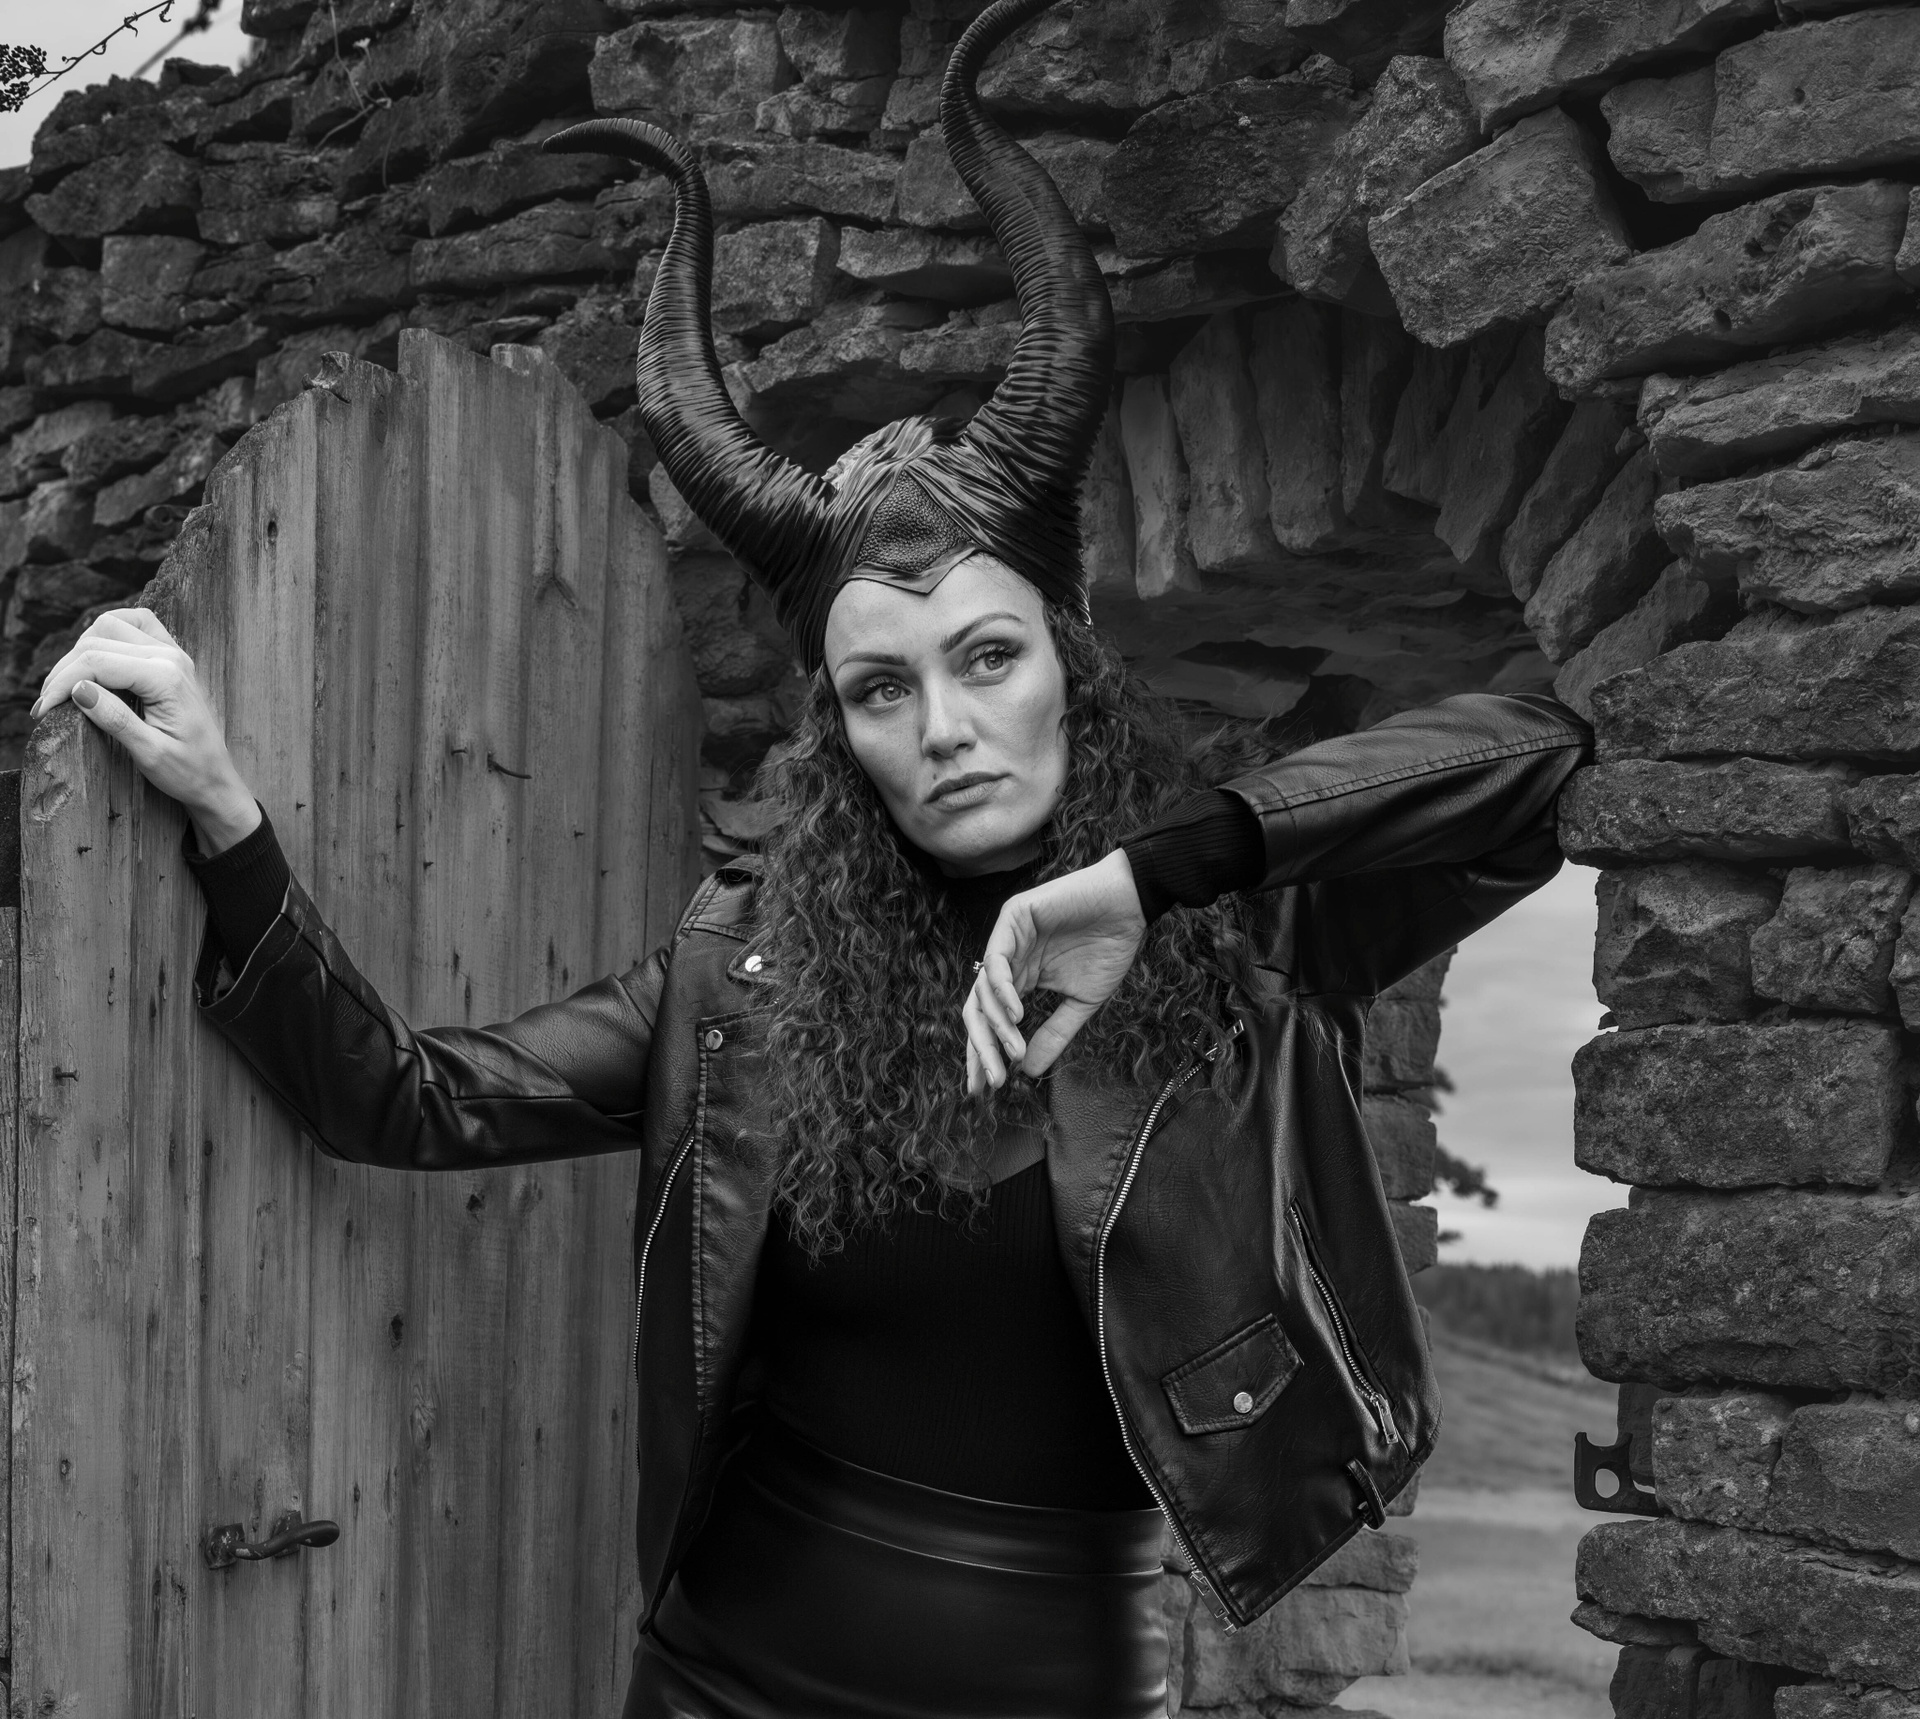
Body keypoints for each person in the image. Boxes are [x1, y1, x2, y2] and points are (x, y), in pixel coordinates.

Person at [29, 0, 1592, 1712]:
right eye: (881, 688)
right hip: (723, 1673)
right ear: (838, 732)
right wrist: (229, 817)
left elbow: (1548, 759)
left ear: (1069, 663)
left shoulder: (1248, 947)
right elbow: (403, 1098)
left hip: (1058, 1683)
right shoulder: (742, 976)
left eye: (986, 658)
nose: (946, 725)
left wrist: (1155, 879)